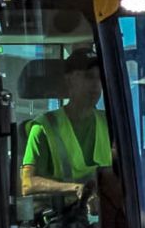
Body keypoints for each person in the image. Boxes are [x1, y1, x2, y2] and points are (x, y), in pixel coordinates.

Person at [20, 49, 116, 200]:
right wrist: (76, 189)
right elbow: (27, 184)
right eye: (89, 76)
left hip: (106, 211)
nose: (96, 84)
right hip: (63, 213)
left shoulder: (110, 122)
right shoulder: (44, 127)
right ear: (69, 80)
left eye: (100, 78)